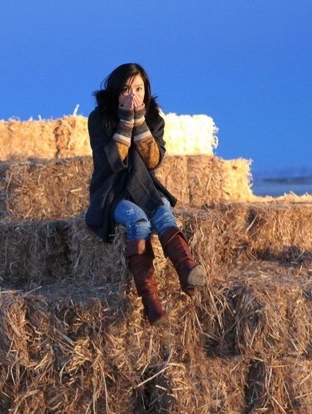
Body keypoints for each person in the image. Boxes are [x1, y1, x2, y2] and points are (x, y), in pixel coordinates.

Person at [85, 63, 206, 326]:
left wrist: (140, 121)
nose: (133, 95)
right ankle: (150, 301)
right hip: (112, 191)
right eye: (127, 89)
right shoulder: (99, 119)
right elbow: (113, 161)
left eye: (139, 89)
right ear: (116, 91)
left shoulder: (154, 119)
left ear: (146, 91)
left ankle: (187, 271)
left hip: (144, 186)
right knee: (138, 221)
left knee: (163, 213)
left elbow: (153, 160)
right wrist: (126, 121)